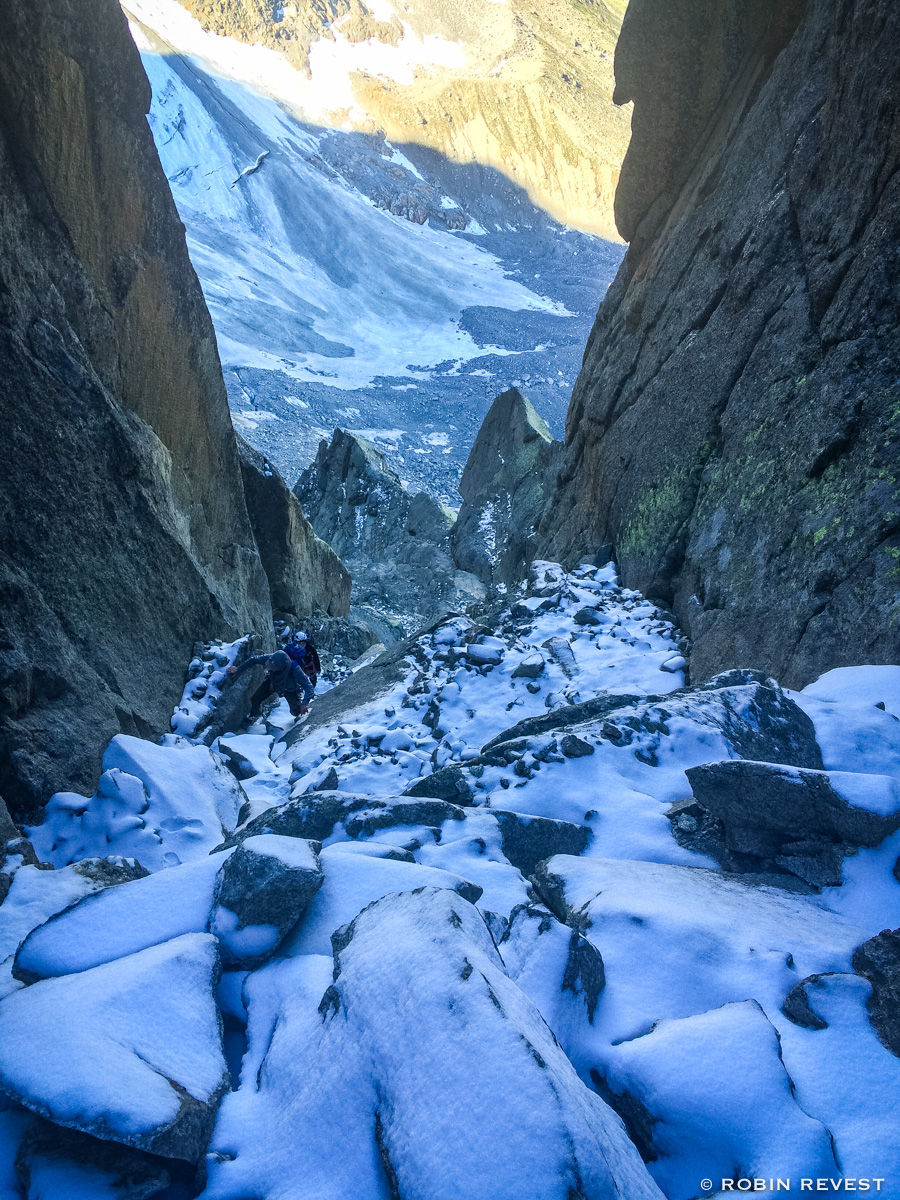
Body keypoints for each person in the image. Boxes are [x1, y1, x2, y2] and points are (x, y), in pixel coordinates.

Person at [226, 650, 313, 720]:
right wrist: (238, 669)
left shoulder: (295, 669)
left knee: (296, 711)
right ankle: (255, 716)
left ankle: (297, 714)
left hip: (288, 688)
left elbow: (309, 686)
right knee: (255, 699)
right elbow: (254, 660)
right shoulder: (272, 658)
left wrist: (304, 704)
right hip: (272, 681)